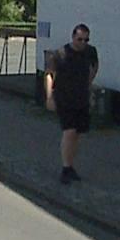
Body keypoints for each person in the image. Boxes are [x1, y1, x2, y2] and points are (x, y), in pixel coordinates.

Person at [43, 23, 98, 184]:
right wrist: (49, 97)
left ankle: (70, 165)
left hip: (81, 97)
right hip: (64, 97)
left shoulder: (90, 51)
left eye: (86, 40)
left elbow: (95, 66)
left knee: (77, 133)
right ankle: (66, 168)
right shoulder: (61, 53)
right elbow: (49, 74)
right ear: (73, 37)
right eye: (79, 39)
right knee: (69, 131)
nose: (82, 43)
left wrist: (89, 83)